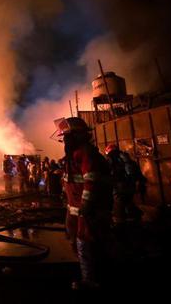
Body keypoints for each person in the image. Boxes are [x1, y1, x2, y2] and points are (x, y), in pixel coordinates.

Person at [55, 117, 112, 289]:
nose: (64, 140)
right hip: (75, 207)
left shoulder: (85, 152)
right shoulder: (74, 154)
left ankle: (91, 279)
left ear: (77, 136)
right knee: (75, 237)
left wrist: (86, 205)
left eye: (66, 136)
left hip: (86, 208)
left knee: (85, 240)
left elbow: (91, 180)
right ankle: (86, 271)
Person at [104, 143, 147, 227]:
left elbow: (107, 172)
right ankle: (135, 221)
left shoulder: (110, 159)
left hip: (118, 186)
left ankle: (120, 226)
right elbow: (137, 173)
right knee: (128, 202)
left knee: (118, 205)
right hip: (130, 185)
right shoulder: (127, 159)